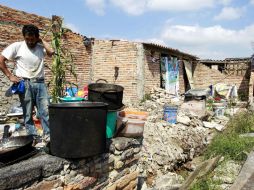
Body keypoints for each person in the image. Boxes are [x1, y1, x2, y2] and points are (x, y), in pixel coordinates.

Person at [0, 24, 54, 139]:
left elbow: (51, 52)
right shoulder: (17, 46)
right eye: (27, 39)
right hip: (25, 83)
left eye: (32, 39)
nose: (29, 41)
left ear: (37, 37)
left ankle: (48, 136)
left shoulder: (40, 47)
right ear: (24, 37)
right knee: (28, 113)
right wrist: (10, 76)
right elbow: (1, 60)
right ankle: (32, 137)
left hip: (40, 83)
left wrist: (41, 40)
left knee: (45, 112)